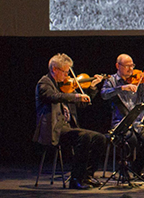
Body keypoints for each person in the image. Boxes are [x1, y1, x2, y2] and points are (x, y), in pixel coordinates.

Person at [33, 53, 107, 189]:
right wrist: (75, 96)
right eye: (65, 72)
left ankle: (87, 176)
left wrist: (91, 88)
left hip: (67, 128)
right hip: (54, 129)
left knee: (100, 138)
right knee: (83, 137)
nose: (67, 76)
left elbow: (83, 104)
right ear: (54, 69)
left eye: (68, 72)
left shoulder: (65, 86)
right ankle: (75, 179)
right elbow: (53, 96)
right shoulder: (44, 83)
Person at [100, 54, 144, 175]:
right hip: (121, 123)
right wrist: (122, 88)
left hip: (139, 123)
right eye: (127, 66)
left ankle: (137, 168)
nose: (131, 69)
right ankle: (124, 169)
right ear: (118, 66)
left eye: (132, 66)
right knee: (130, 139)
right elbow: (104, 94)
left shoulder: (139, 80)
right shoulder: (111, 80)